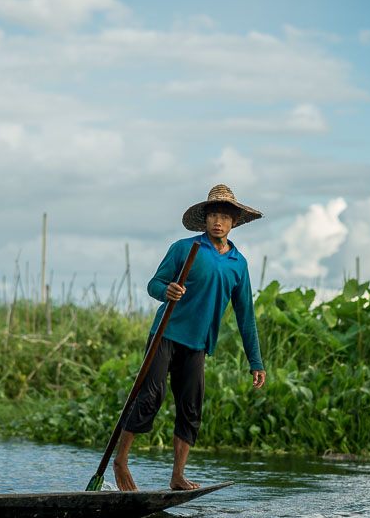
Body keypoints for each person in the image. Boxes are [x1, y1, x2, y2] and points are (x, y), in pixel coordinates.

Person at [113, 184, 266, 491]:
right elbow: (154, 285)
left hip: (198, 343)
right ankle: (120, 462)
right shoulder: (185, 249)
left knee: (191, 407)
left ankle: (177, 476)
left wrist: (255, 360)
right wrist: (166, 291)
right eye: (212, 216)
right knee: (150, 397)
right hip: (166, 334)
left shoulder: (239, 264)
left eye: (224, 216)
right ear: (205, 219)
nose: (218, 222)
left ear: (234, 222)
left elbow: (245, 315)